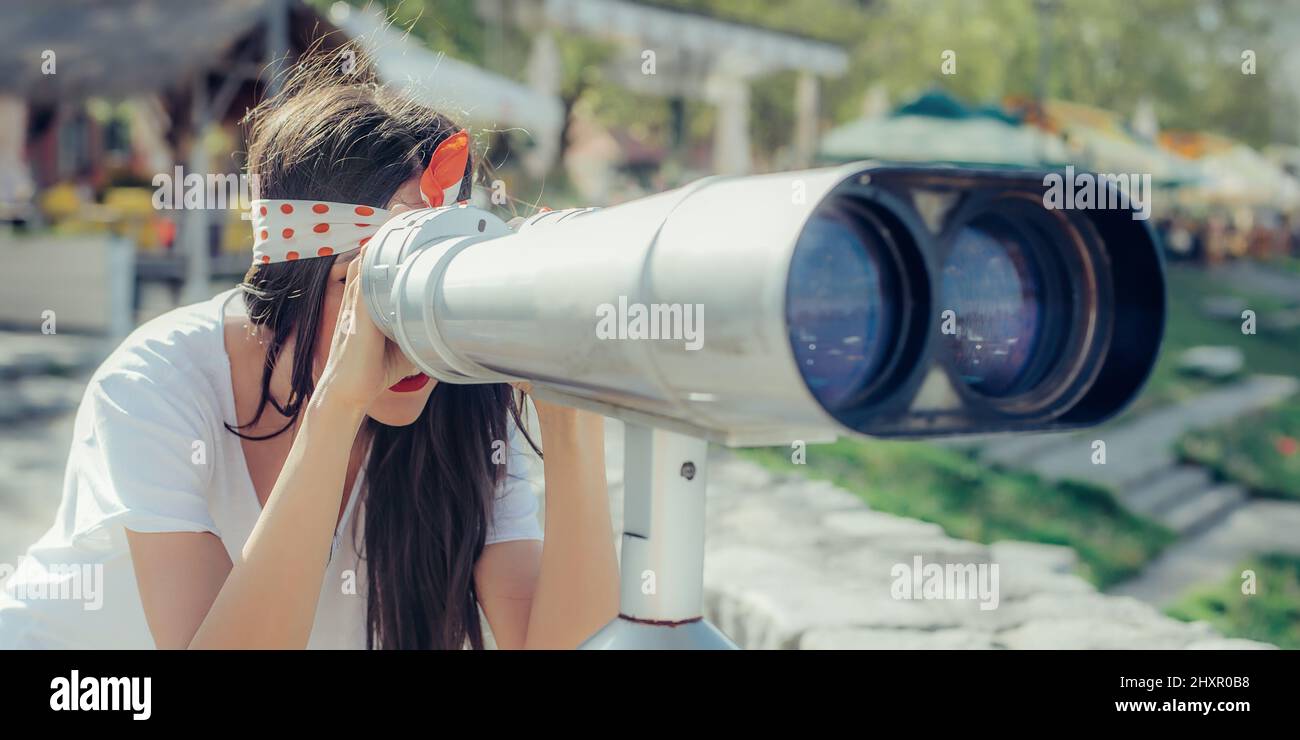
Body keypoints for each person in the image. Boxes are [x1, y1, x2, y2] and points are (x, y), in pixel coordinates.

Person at [0, 56, 620, 649]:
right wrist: (336, 408)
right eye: (373, 295)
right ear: (295, 280)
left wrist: (573, 422)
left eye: (430, 302)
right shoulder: (155, 382)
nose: (412, 344)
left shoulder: (460, 398)